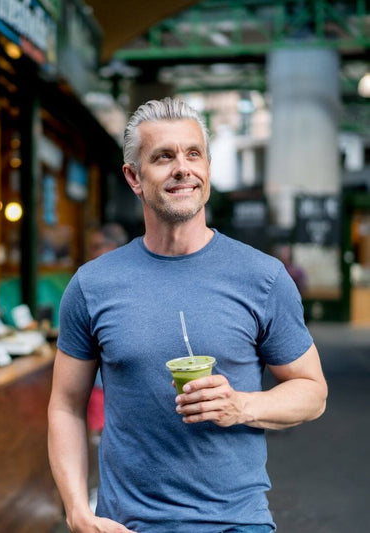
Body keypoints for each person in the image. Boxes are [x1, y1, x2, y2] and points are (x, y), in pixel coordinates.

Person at [47, 97, 328, 533]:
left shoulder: (262, 277)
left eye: (193, 154)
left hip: (237, 522)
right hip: (128, 524)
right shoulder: (92, 285)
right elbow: (66, 404)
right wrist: (77, 512)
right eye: (163, 156)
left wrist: (242, 405)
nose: (182, 168)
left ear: (208, 170)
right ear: (134, 177)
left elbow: (312, 391)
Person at [86, 223, 129, 435]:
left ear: (110, 246)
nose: (92, 252)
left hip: (113, 384)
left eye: (96, 246)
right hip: (102, 382)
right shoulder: (92, 280)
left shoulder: (115, 281)